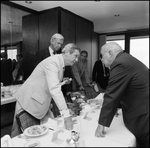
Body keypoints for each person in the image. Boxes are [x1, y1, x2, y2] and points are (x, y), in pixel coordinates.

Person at [11, 43, 81, 138]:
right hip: (28, 100)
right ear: (67, 52)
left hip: (40, 103)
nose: (76, 60)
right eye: (75, 56)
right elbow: (54, 89)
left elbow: (49, 83)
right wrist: (66, 115)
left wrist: (63, 82)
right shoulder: (53, 62)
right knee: (18, 135)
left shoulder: (59, 63)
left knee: (49, 130)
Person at [95, 42, 149, 147]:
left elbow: (112, 94)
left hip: (144, 114)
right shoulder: (127, 58)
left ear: (110, 53)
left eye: (102, 55)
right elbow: (126, 88)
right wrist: (117, 106)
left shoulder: (120, 63)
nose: (101, 59)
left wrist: (102, 123)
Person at [32, 33, 64, 117]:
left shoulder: (58, 56)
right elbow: (36, 72)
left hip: (53, 90)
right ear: (52, 41)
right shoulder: (41, 53)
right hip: (42, 90)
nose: (60, 46)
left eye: (61, 44)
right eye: (58, 43)